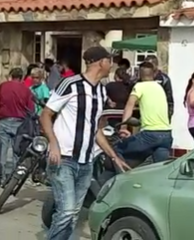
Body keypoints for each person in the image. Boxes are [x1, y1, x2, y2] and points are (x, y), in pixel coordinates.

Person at [40, 46, 129, 240]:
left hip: (86, 162)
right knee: (67, 212)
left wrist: (113, 156)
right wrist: (53, 144)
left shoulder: (101, 92)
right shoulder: (70, 84)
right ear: (101, 62)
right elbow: (46, 114)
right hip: (63, 158)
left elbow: (95, 129)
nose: (111, 65)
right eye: (109, 61)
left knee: (72, 216)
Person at [119, 61, 173, 162]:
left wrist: (123, 128)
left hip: (150, 134)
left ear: (139, 74)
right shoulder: (160, 88)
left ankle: (118, 176)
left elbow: (129, 106)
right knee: (158, 168)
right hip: (166, 135)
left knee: (118, 149)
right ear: (154, 74)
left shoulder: (139, 86)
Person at [0, 67, 35, 186]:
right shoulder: (26, 90)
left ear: (11, 75)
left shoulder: (3, 86)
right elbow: (31, 109)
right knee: (17, 151)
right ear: (21, 78)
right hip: (19, 123)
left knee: (2, 150)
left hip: (4, 120)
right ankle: (14, 179)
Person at [143, 55, 174, 119]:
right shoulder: (142, 78)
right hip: (145, 112)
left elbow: (169, 96)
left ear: (156, 65)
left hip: (160, 112)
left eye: (149, 65)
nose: (147, 67)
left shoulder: (164, 79)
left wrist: (169, 113)